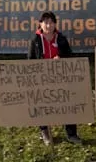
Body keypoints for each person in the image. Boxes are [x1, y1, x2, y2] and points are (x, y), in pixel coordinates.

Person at [28, 12, 83, 145]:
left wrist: (61, 59)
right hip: (42, 78)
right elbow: (30, 61)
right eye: (45, 22)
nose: (48, 25)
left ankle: (72, 133)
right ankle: (45, 132)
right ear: (40, 24)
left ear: (55, 24)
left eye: (51, 22)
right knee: (41, 103)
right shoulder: (35, 41)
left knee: (67, 102)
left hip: (61, 78)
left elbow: (70, 57)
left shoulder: (62, 39)